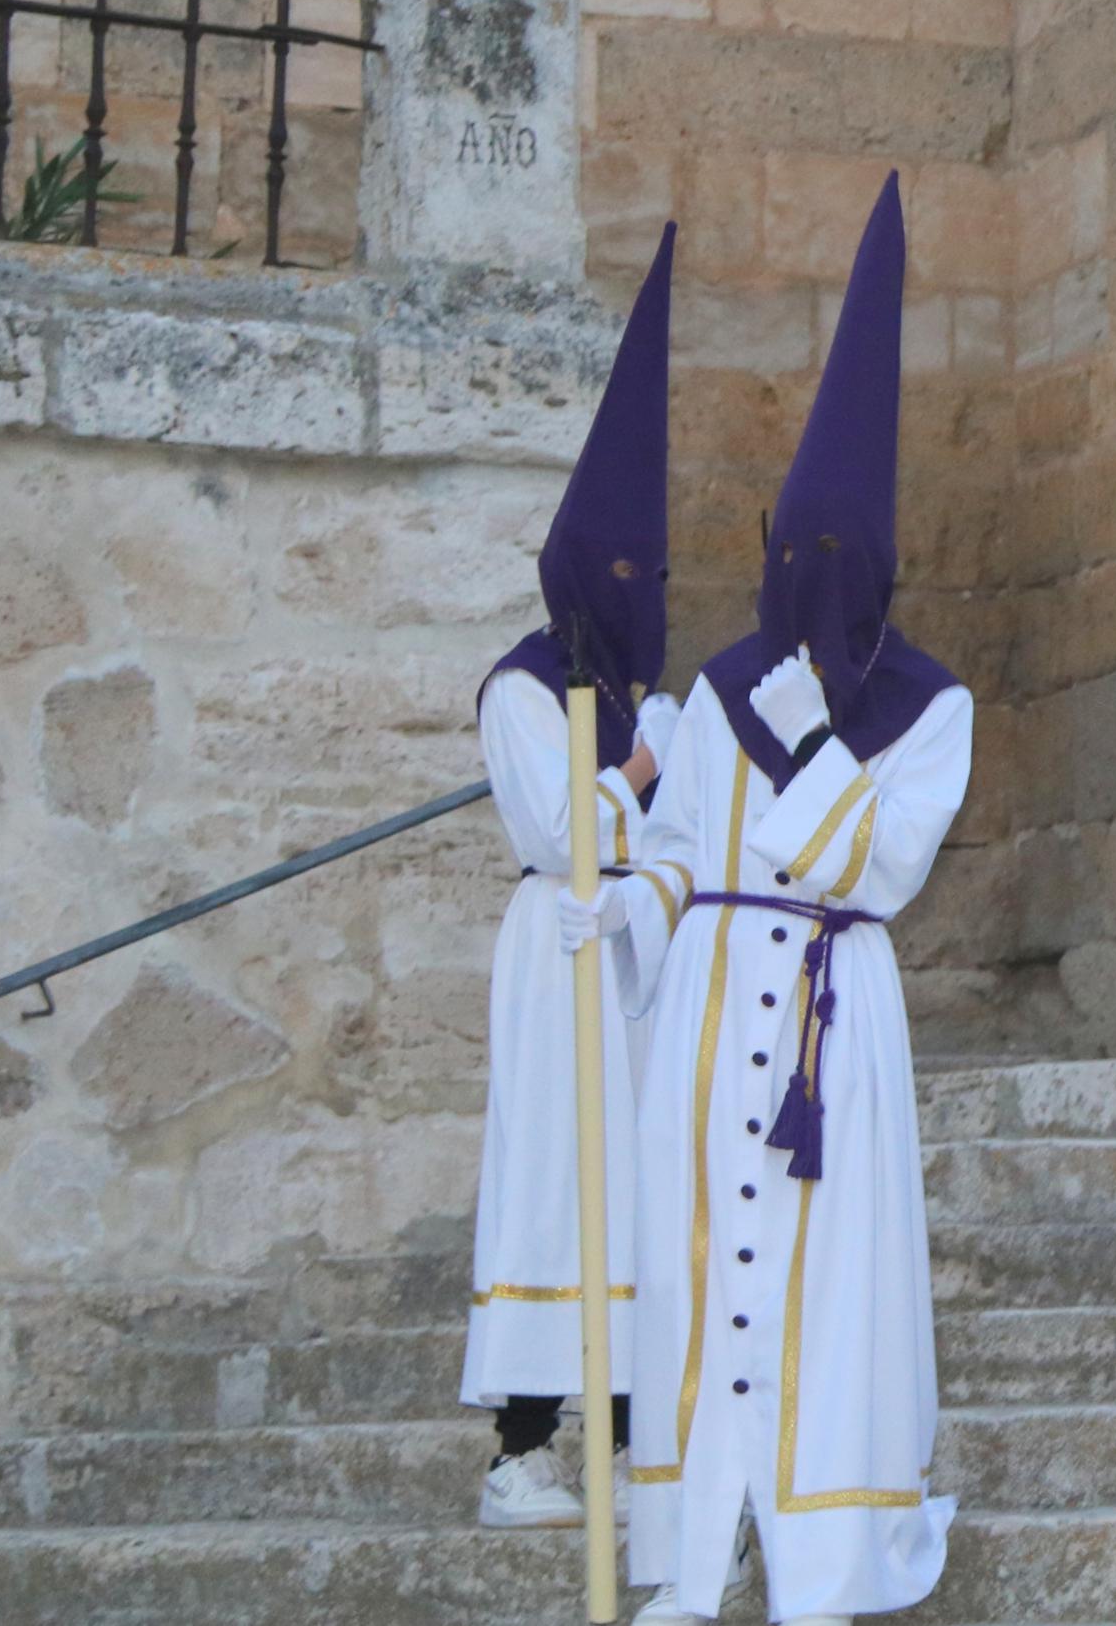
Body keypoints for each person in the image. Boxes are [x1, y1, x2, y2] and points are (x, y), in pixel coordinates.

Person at [577, 177, 973, 1626]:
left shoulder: (932, 707)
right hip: (701, 1008)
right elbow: (679, 842)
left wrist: (816, 740)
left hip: (826, 1010)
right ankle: (689, 1554)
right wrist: (618, 911)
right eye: (786, 557)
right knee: (690, 1270)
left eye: (834, 565)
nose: (806, 590)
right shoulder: (710, 689)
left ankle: (819, 1550)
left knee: (828, 1286)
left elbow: (881, 864)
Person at [464, 225, 674, 1529]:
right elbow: (555, 830)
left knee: (631, 1186)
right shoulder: (521, 691)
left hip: (631, 959)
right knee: (554, 1179)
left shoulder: (637, 695)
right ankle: (519, 1450)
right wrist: (639, 777)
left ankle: (621, 1442)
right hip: (557, 955)